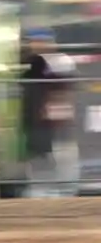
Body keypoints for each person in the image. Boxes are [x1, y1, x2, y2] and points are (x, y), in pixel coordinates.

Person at [20, 28, 77, 199]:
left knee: (61, 155)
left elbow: (64, 91)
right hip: (35, 121)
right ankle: (41, 192)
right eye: (34, 41)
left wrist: (57, 111)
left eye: (42, 40)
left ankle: (65, 193)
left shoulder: (61, 61)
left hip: (57, 122)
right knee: (39, 158)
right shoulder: (31, 63)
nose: (37, 44)